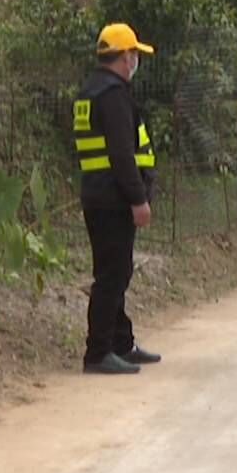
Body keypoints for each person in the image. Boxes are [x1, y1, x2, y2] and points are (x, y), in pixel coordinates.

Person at [73, 23, 164, 375]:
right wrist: (138, 199)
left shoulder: (90, 92)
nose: (136, 61)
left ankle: (121, 343)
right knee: (112, 275)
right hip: (113, 198)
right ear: (126, 57)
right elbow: (122, 154)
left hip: (98, 195)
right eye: (135, 55)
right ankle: (98, 352)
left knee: (116, 270)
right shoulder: (112, 95)